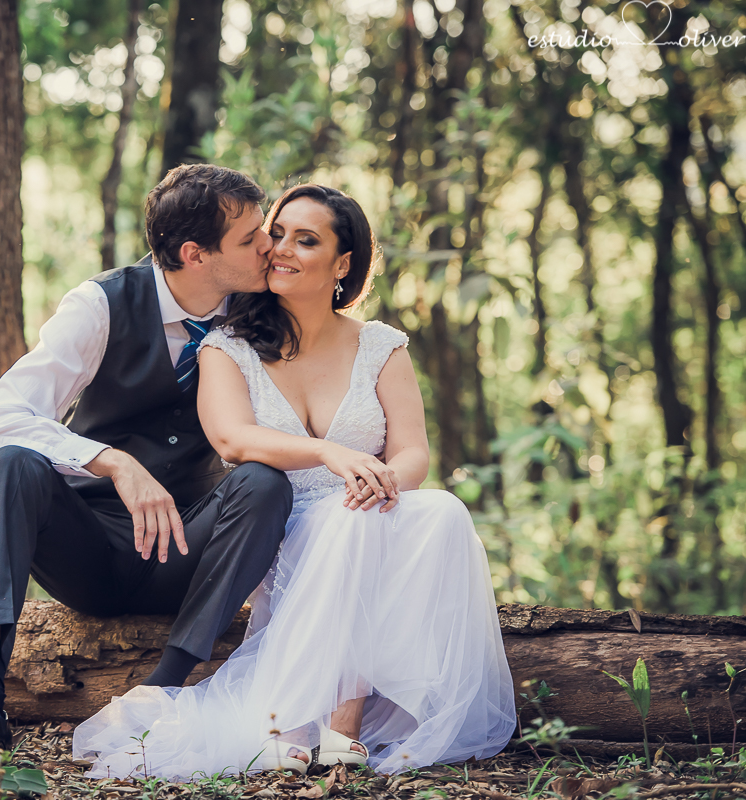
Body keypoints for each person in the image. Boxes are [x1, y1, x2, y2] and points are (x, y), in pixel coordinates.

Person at [73, 184, 517, 777]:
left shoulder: (379, 345)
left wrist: (383, 481)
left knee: (438, 510)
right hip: (280, 523)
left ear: (343, 265)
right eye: (276, 234)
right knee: (348, 521)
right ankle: (317, 724)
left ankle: (345, 725)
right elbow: (233, 440)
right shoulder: (227, 346)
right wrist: (329, 454)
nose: (278, 249)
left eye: (305, 240)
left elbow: (412, 452)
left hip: (372, 510)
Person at [0, 165, 295, 777]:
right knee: (16, 462)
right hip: (90, 552)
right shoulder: (101, 304)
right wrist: (110, 460)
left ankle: (162, 693)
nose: (270, 246)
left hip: (188, 552)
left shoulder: (260, 313)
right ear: (194, 254)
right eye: (252, 237)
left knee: (264, 482)